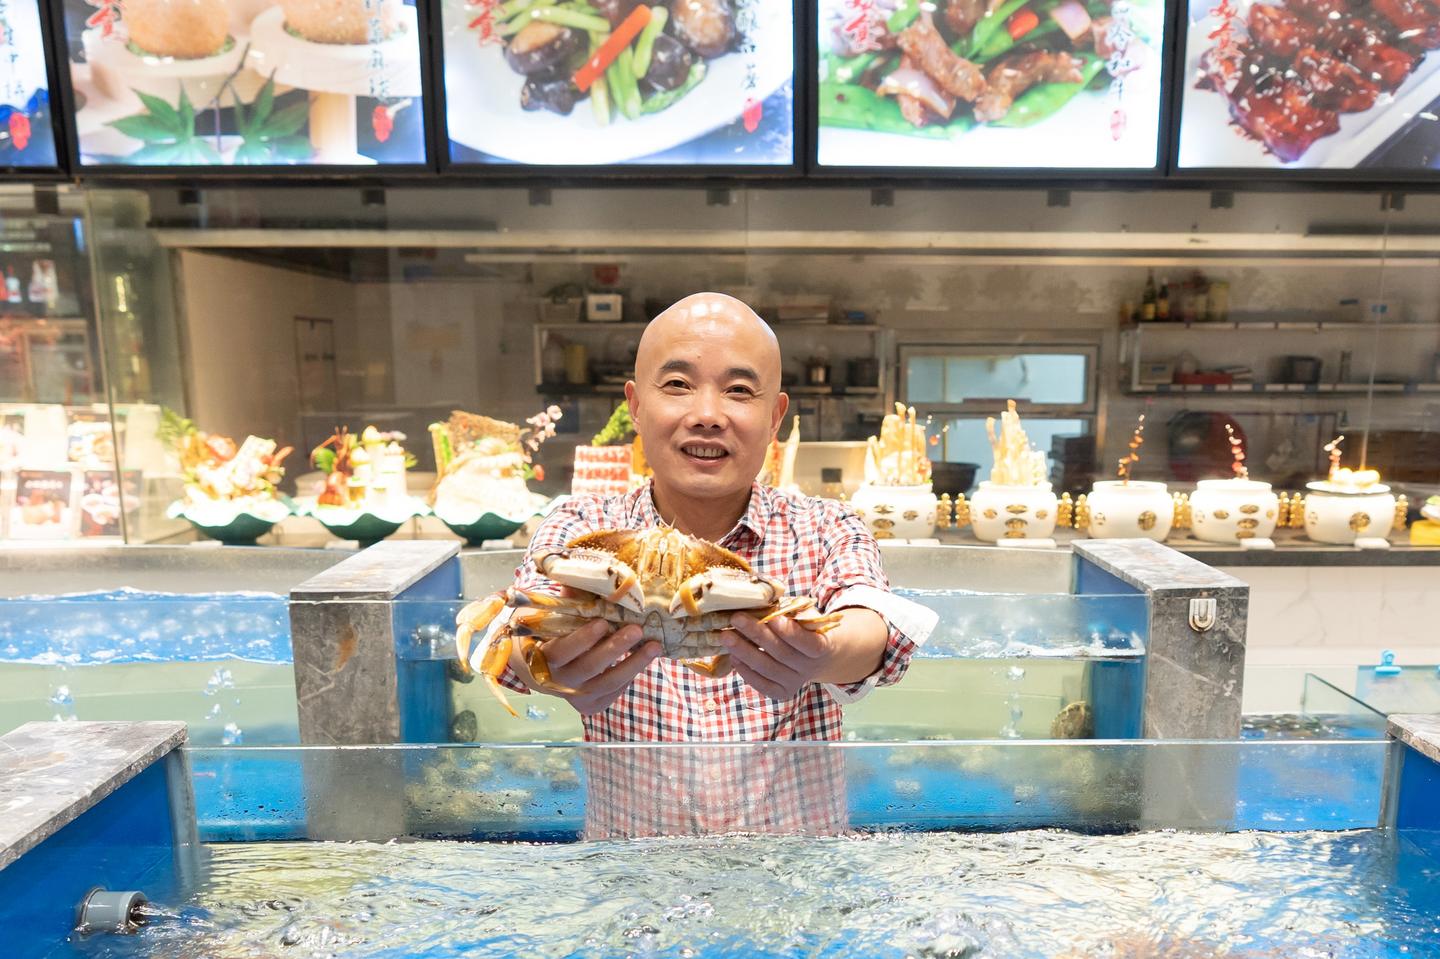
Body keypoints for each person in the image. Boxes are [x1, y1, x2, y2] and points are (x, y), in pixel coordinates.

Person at [477, 292, 935, 741]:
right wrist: (544, 663)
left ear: (775, 417)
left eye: (739, 390)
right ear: (636, 406)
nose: (708, 415)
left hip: (798, 820)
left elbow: (872, 621)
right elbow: (516, 621)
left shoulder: (826, 527)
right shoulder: (581, 525)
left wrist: (823, 653)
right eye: (678, 384)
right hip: (634, 820)